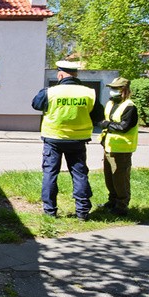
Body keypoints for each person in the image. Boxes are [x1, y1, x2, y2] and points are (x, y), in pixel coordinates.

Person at [31, 60, 104, 219]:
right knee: (79, 174)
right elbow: (99, 115)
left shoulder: (50, 92)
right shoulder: (88, 93)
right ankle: (82, 212)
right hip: (78, 140)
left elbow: (36, 105)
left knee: (50, 174)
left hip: (53, 138)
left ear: (60, 75)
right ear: (76, 75)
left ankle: (50, 212)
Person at [97, 77, 139, 215]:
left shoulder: (129, 107)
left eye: (115, 88)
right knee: (109, 177)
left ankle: (122, 206)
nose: (112, 90)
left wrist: (107, 124)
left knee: (120, 179)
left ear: (124, 90)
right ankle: (112, 201)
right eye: (111, 87)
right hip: (109, 146)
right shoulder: (111, 103)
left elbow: (124, 127)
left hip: (122, 149)